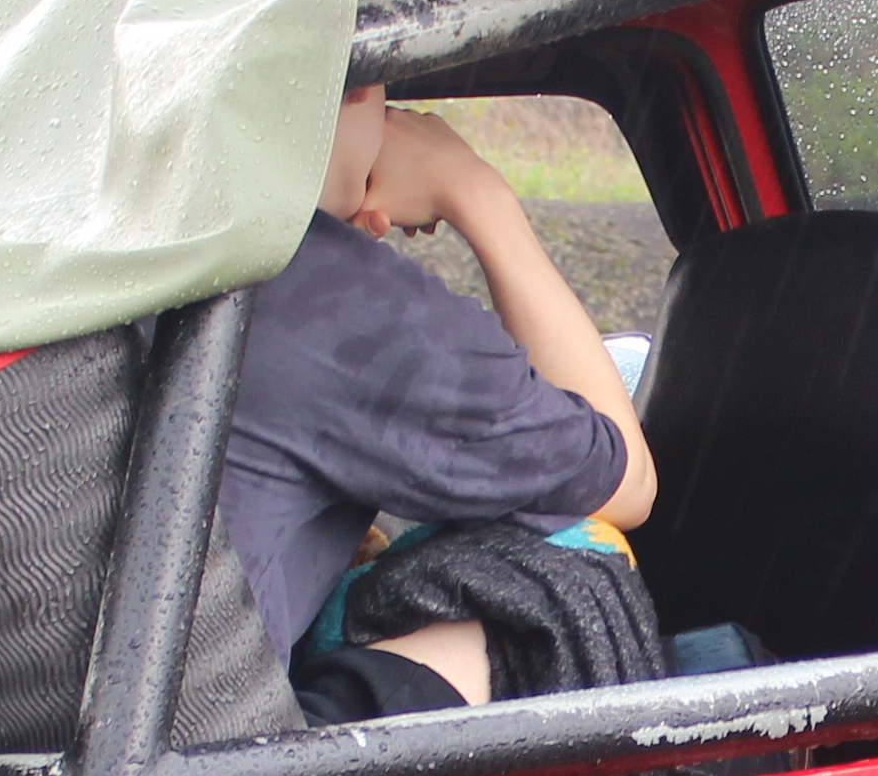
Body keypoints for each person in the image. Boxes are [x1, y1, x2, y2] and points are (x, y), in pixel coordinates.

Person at [221, 89, 658, 721]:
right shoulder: (333, 300)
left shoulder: (112, 246)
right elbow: (622, 485)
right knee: (567, 572)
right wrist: (476, 195)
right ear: (359, 89)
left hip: (66, 762)